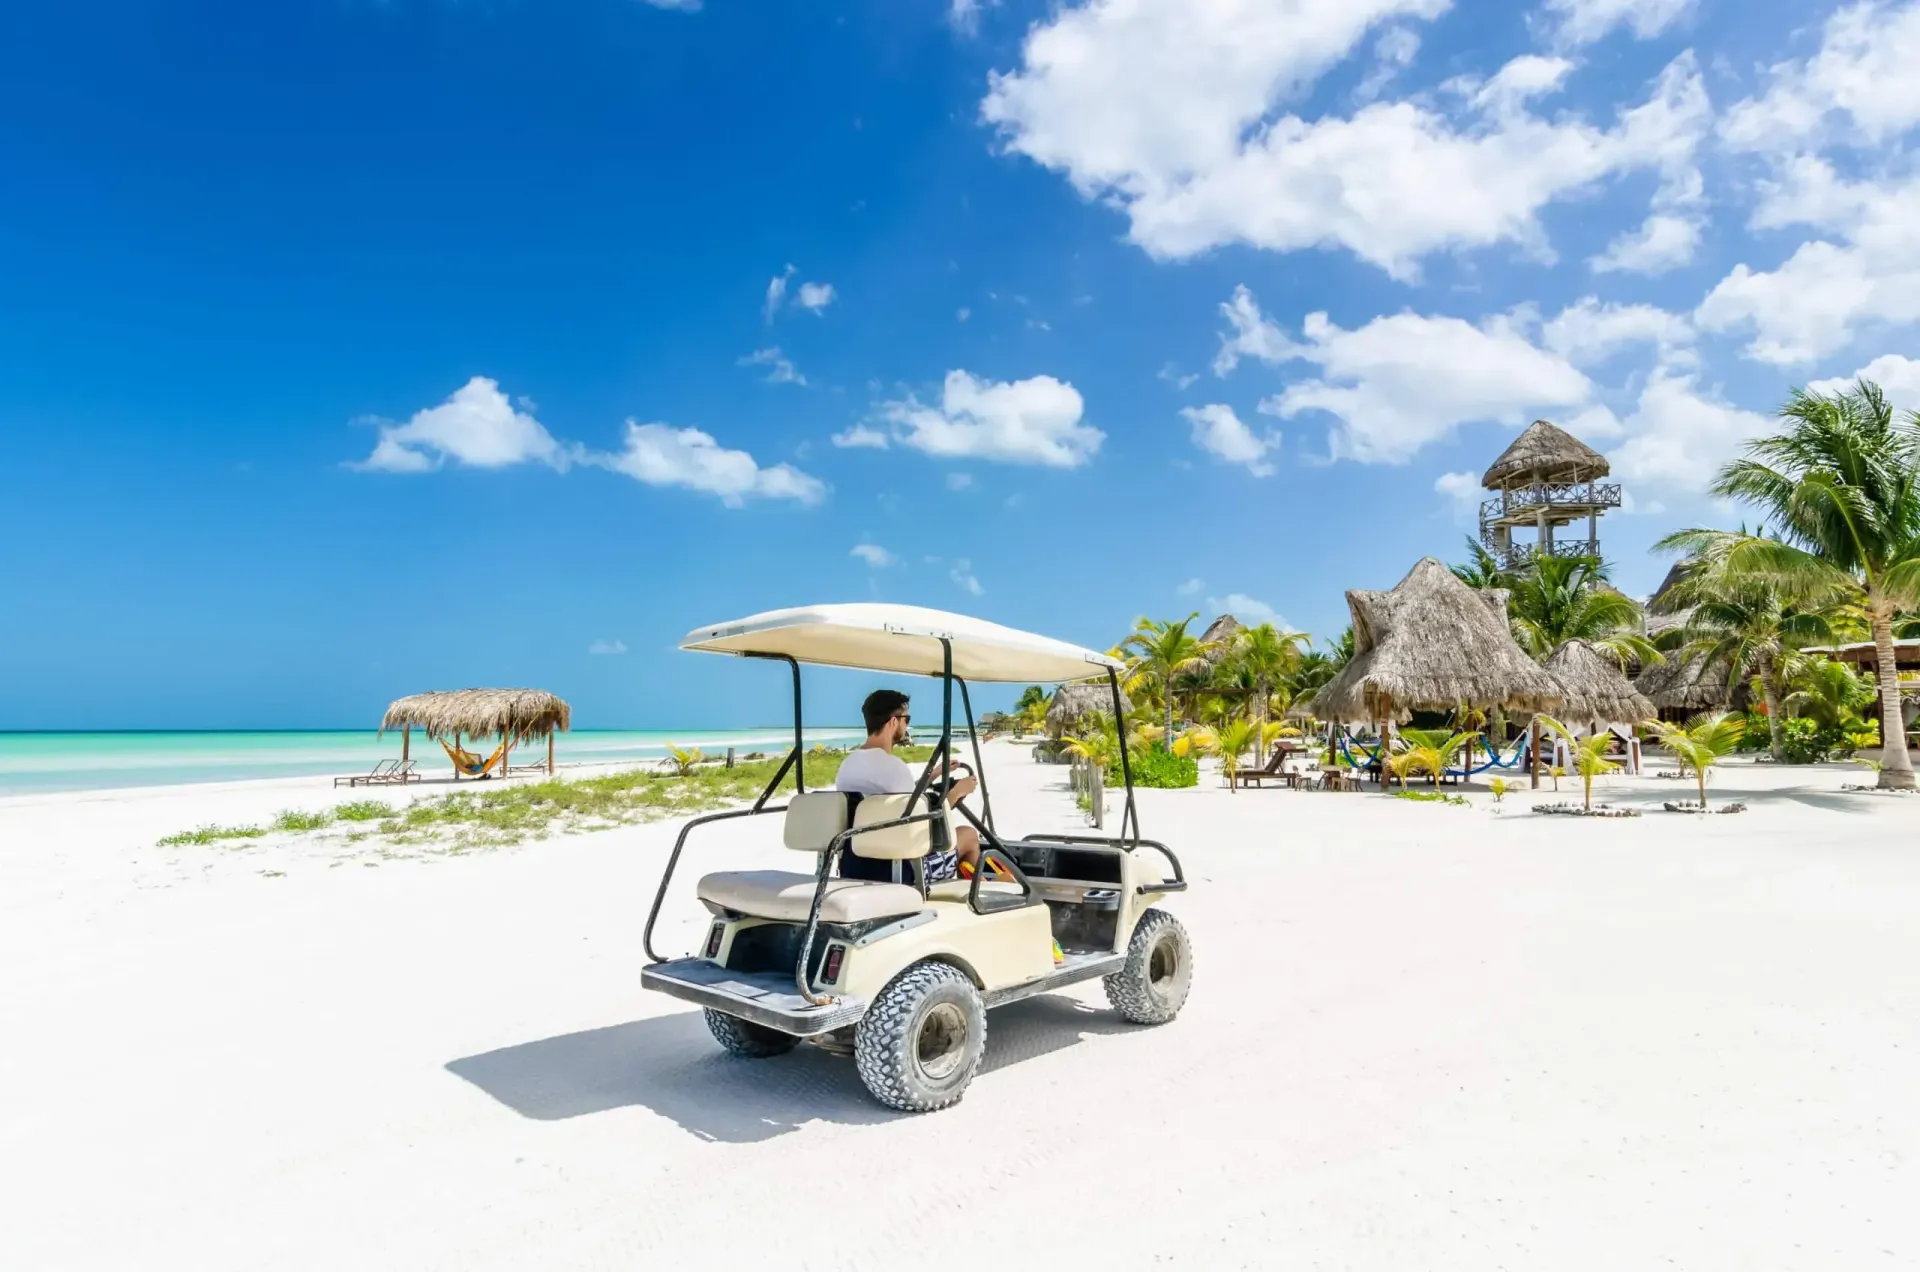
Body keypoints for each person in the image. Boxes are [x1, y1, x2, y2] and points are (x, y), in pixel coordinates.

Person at [835, 688, 980, 883]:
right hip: (901, 871)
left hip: (855, 866)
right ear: (893, 721)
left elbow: (898, 796)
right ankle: (969, 904)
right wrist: (957, 792)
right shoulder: (893, 767)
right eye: (906, 719)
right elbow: (925, 823)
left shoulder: (848, 764)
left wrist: (931, 776)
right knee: (969, 836)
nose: (907, 726)